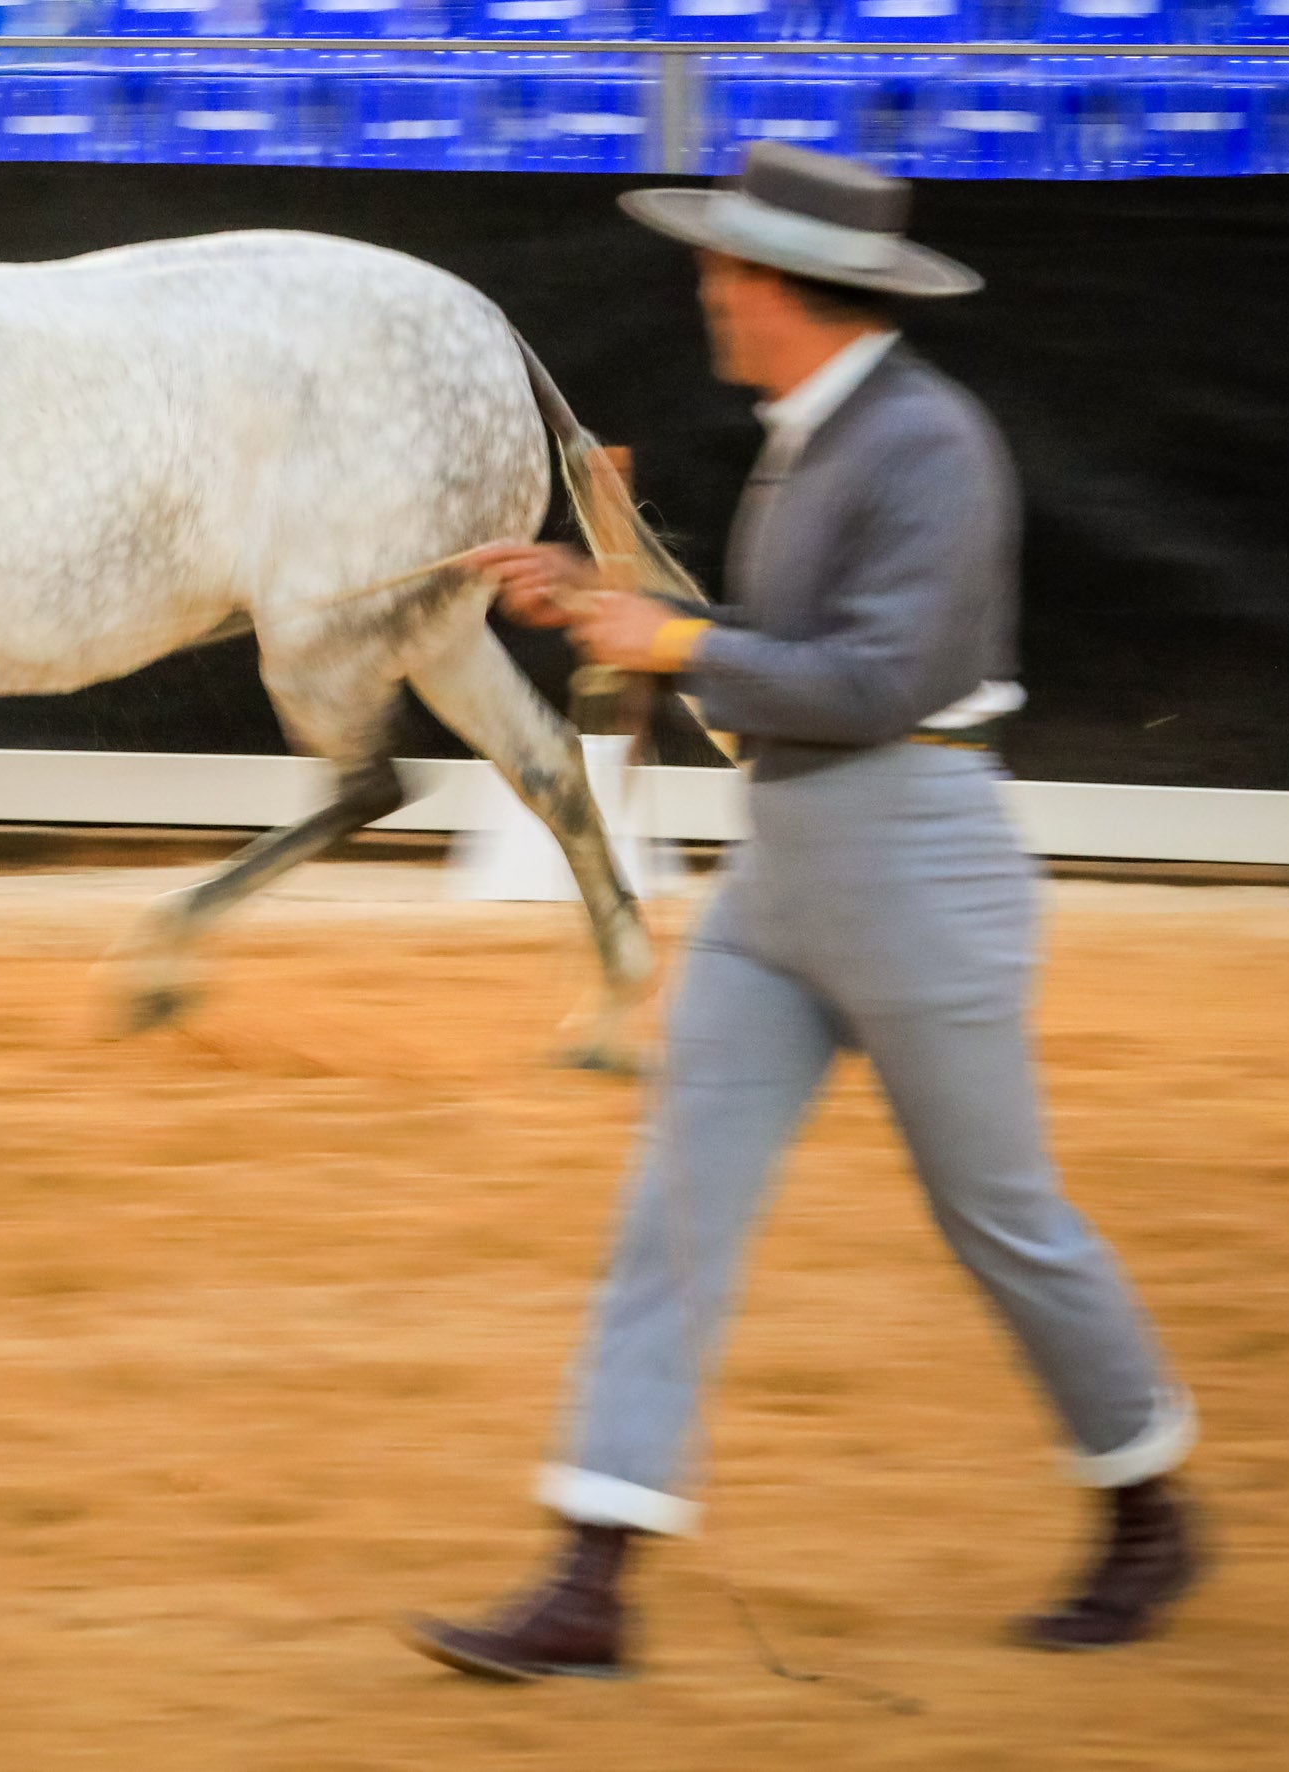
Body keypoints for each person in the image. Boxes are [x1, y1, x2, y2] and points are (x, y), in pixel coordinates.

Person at [404, 142, 1201, 1683]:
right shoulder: (832, 431)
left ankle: (1150, 1503)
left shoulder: (926, 444)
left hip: (911, 861)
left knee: (1004, 1219)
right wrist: (605, 603)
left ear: (783, 288)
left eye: (723, 271)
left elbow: (876, 683)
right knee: (675, 1216)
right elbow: (782, 659)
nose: (708, 292)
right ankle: (592, 1574)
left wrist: (665, 638)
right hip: (802, 865)